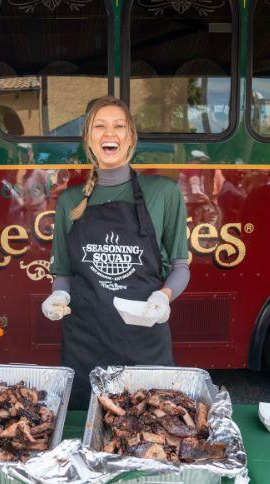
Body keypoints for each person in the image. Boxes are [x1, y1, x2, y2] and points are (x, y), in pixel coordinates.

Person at [41, 96, 190, 409]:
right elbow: (63, 273)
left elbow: (180, 266)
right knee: (83, 426)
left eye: (119, 126)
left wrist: (163, 297)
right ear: (89, 139)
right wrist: (58, 296)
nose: (110, 133)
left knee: (152, 423)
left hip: (145, 343)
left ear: (130, 137)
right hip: (85, 344)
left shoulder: (164, 193)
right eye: (100, 126)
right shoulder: (70, 201)